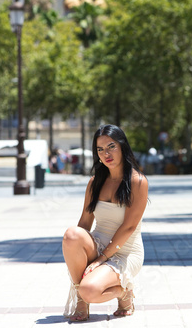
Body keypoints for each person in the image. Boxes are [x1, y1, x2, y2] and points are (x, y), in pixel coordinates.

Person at [62, 124, 148, 322]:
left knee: (90, 290)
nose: (106, 154)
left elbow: (129, 227)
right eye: (100, 149)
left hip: (125, 251)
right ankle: (81, 300)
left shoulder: (138, 181)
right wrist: (77, 254)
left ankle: (124, 292)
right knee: (71, 235)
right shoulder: (95, 182)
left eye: (111, 147)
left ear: (122, 146)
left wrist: (101, 260)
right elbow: (84, 222)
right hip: (98, 244)